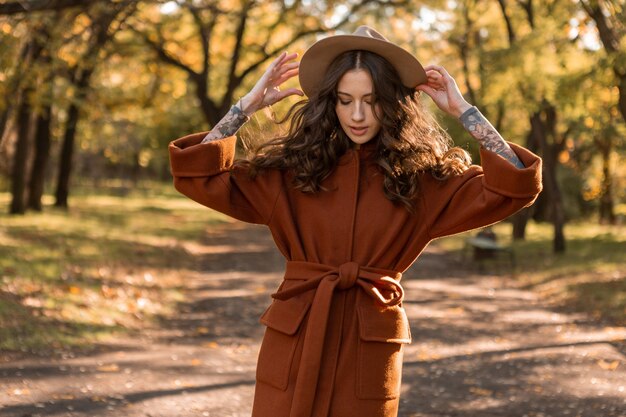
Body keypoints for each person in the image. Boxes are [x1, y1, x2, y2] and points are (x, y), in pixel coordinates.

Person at [169, 26, 542, 417]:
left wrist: (466, 113)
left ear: (393, 103)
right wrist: (243, 108)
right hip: (294, 344)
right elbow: (198, 177)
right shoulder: (292, 173)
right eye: (345, 101)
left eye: (372, 100)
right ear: (330, 103)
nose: (358, 115)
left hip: (369, 352)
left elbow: (514, 187)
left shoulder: (422, 182)